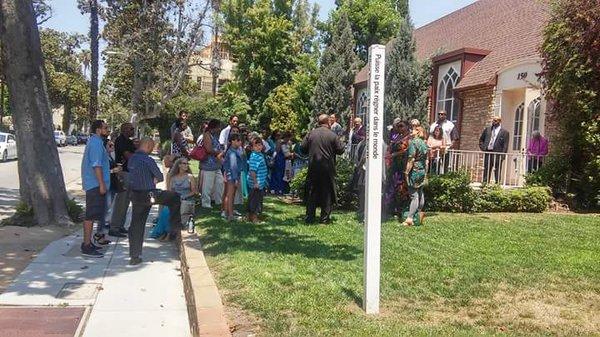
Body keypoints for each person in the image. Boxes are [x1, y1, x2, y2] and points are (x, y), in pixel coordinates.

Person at [127, 137, 182, 265]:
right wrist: (153, 179)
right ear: (147, 145)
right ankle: (175, 225)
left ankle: (135, 256)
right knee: (174, 197)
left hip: (135, 195)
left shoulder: (132, 159)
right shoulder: (148, 160)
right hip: (149, 194)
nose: (152, 149)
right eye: (151, 147)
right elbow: (160, 176)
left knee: (136, 225)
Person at [301, 114, 345, 224]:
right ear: (329, 123)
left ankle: (310, 217)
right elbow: (341, 150)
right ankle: (324, 219)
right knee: (327, 193)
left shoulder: (311, 134)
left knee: (312, 192)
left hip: (314, 167)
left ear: (318, 122)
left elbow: (302, 148)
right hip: (327, 168)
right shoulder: (332, 135)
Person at [80, 120, 111, 257]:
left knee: (92, 215)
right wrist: (102, 184)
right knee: (90, 215)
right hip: (95, 184)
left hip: (95, 183)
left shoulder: (96, 142)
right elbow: (96, 165)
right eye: (105, 128)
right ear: (98, 130)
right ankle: (86, 245)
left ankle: (88, 242)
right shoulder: (96, 143)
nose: (107, 130)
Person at [109, 123, 136, 238]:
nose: (133, 130)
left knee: (126, 202)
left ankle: (120, 225)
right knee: (121, 202)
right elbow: (128, 155)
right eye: (131, 129)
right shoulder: (121, 141)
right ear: (125, 129)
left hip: (129, 173)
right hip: (123, 173)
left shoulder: (129, 141)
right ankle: (114, 227)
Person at [402, 126, 429, 226]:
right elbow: (426, 160)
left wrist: (406, 172)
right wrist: (425, 172)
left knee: (414, 195)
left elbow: (411, 159)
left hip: (415, 170)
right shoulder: (424, 143)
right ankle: (418, 213)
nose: (411, 131)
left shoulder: (413, 142)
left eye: (413, 130)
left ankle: (409, 218)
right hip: (422, 170)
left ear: (417, 132)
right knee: (420, 192)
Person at [383, 118, 411, 218]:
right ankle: (390, 209)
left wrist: (394, 154)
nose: (399, 128)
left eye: (401, 126)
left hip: (402, 164)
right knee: (391, 186)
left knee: (401, 187)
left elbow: (406, 150)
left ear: (407, 127)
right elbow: (391, 146)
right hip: (394, 165)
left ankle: (401, 210)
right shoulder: (397, 136)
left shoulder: (409, 137)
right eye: (398, 126)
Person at [200, 119, 224, 208]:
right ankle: (205, 203)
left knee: (220, 182)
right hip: (208, 164)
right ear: (214, 127)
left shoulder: (214, 136)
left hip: (216, 164)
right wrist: (218, 153)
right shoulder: (207, 135)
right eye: (218, 127)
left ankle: (219, 201)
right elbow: (208, 149)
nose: (220, 129)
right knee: (208, 185)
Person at [479, 116, 510, 184]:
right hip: (488, 152)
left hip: (498, 154)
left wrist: (502, 156)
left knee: (497, 170)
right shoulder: (488, 130)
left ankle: (497, 184)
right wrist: (483, 148)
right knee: (487, 169)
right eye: (493, 120)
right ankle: (485, 184)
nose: (493, 122)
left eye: (495, 121)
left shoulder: (505, 132)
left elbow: (505, 145)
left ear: (499, 122)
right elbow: (481, 140)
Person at [168, 157, 197, 227]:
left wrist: (183, 196)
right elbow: (170, 191)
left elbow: (194, 191)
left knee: (181, 205)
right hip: (176, 198)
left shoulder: (190, 177)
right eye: (184, 163)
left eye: (187, 164)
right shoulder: (173, 177)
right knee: (164, 206)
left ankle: (176, 226)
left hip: (187, 199)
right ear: (179, 165)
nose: (186, 165)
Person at [247, 137, 268, 223]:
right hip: (256, 183)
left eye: (260, 145)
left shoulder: (259, 155)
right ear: (252, 148)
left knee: (255, 199)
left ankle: (249, 216)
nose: (259, 147)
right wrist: (256, 182)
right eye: (256, 145)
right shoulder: (255, 156)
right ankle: (254, 217)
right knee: (255, 201)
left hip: (260, 182)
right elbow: (252, 171)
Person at [222, 133, 243, 221]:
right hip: (232, 176)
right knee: (230, 195)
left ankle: (228, 212)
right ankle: (230, 215)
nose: (240, 142)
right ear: (232, 141)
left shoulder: (235, 150)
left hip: (233, 175)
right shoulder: (232, 153)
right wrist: (236, 179)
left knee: (232, 194)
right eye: (238, 141)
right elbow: (233, 167)